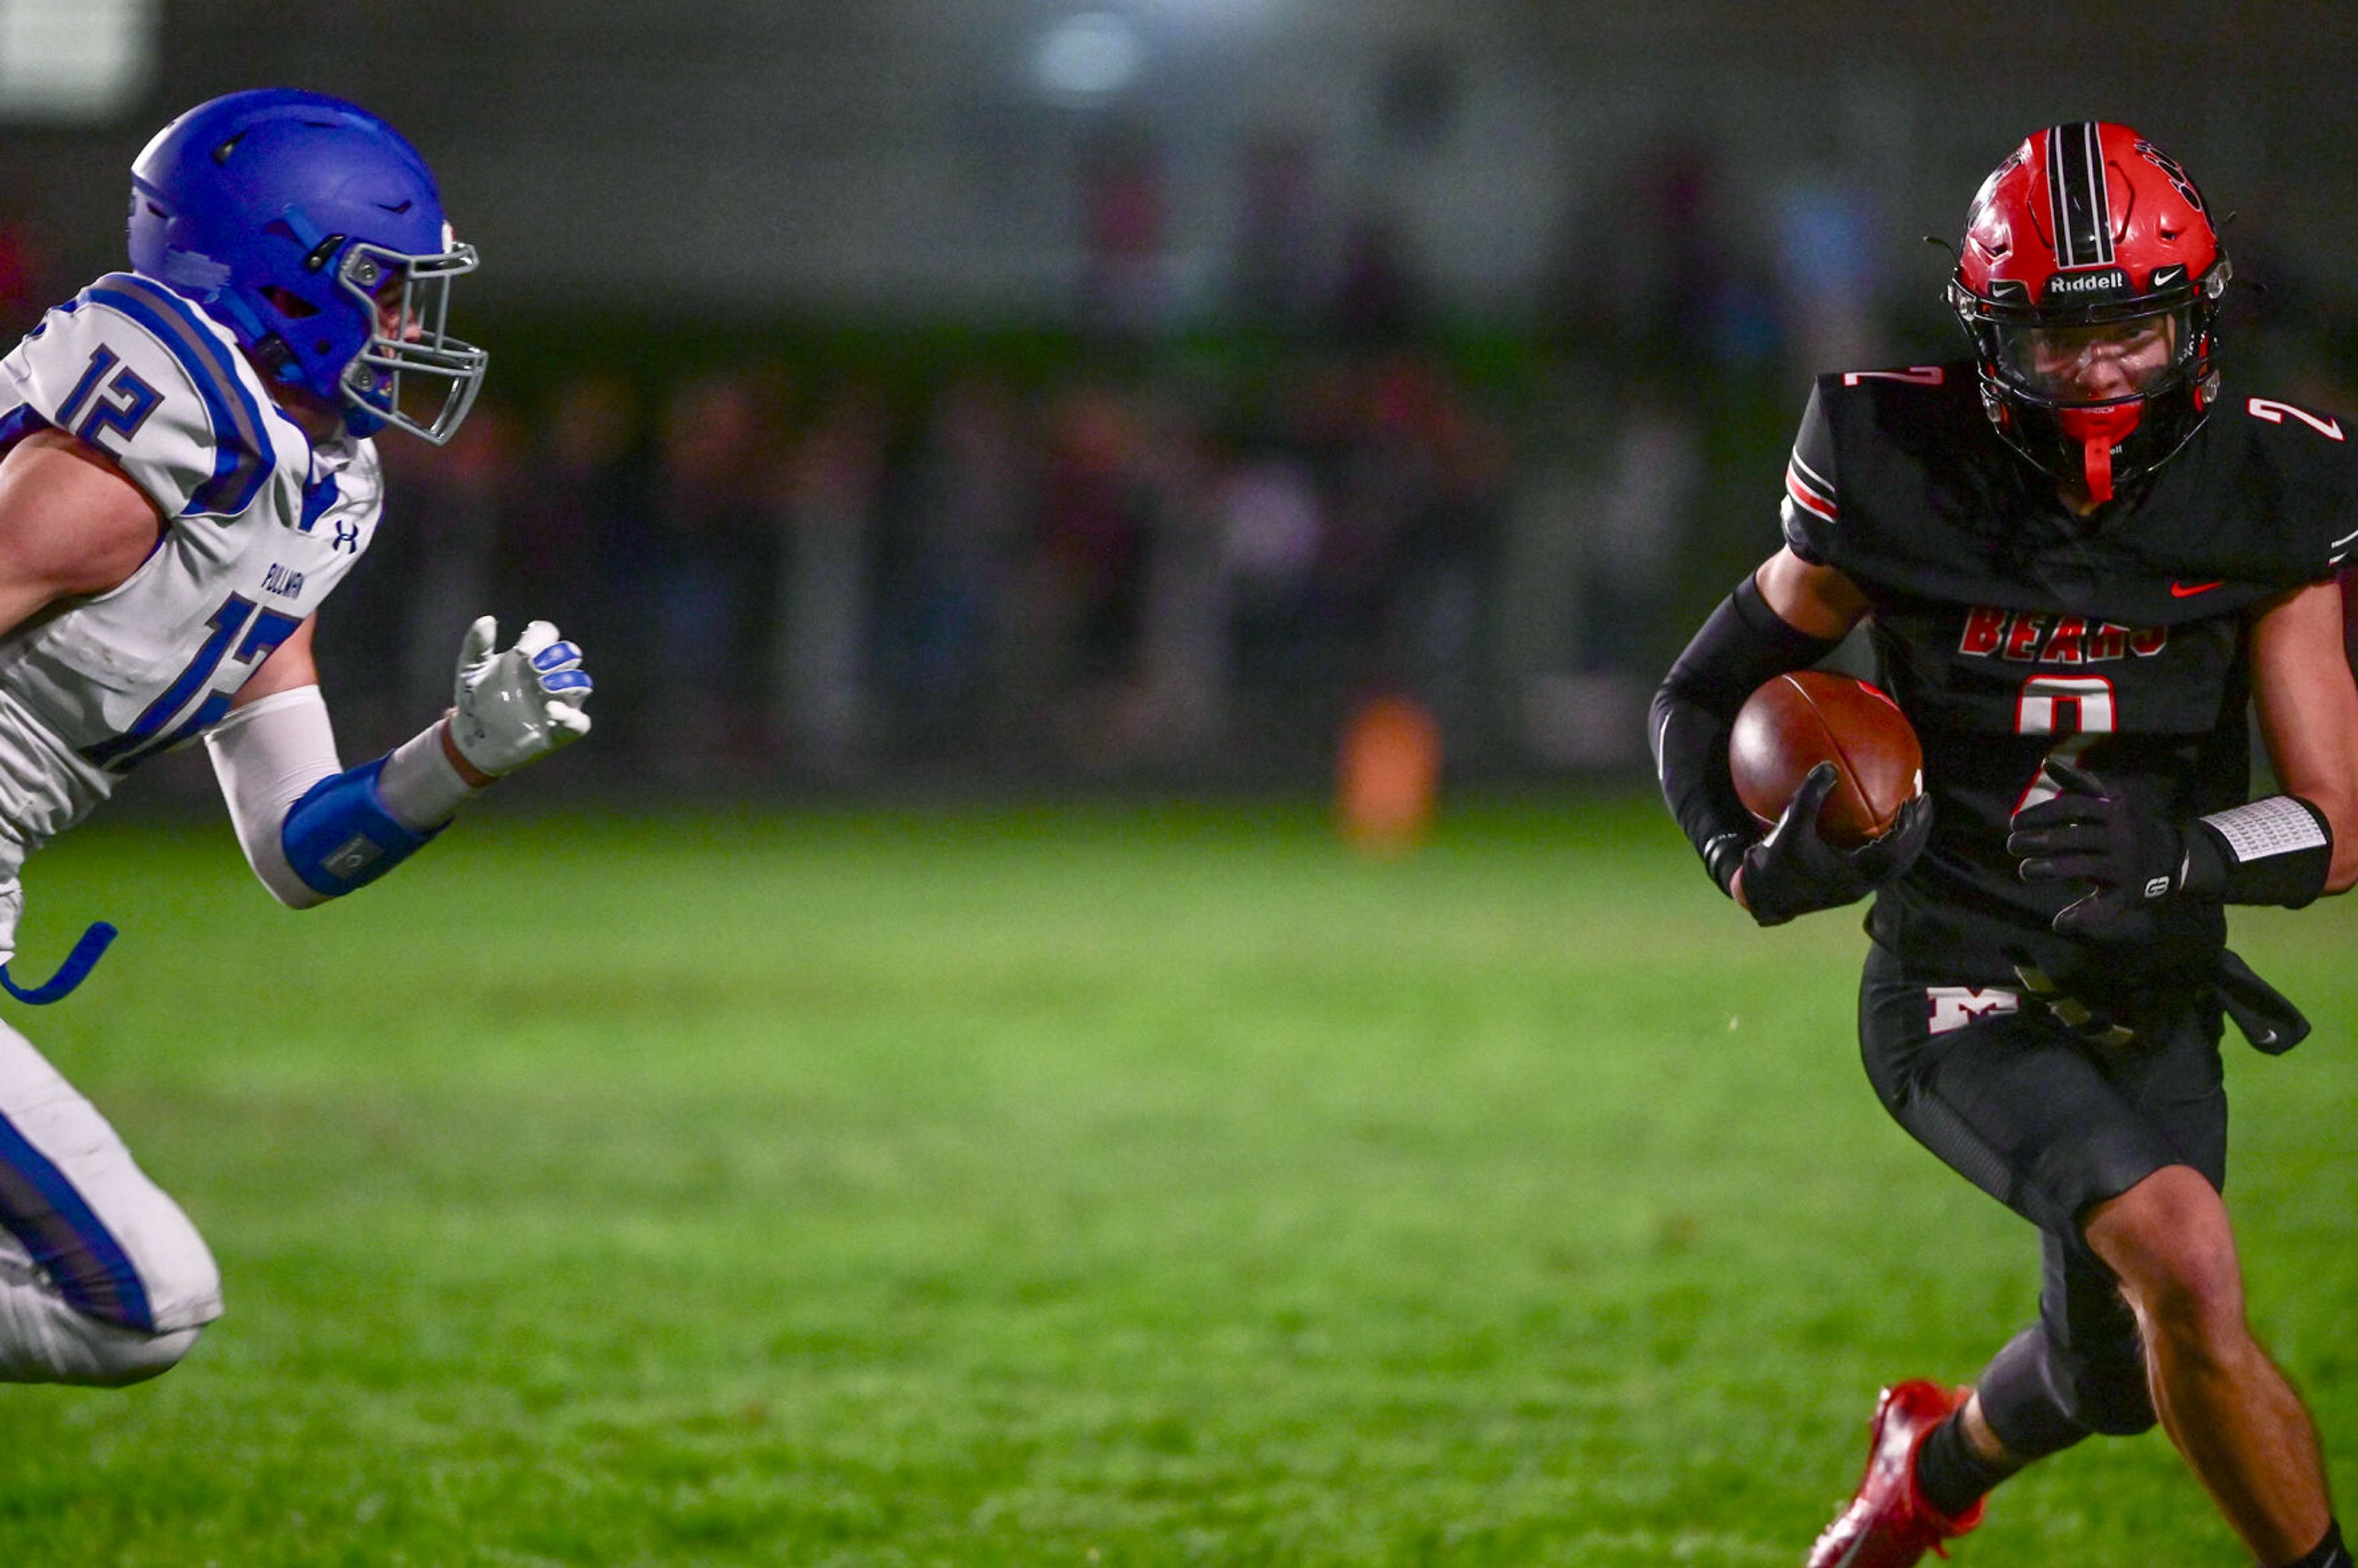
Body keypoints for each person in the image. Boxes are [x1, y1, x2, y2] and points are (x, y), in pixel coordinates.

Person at [1652, 123, 2358, 1568]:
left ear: (2199, 320)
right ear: (1989, 338)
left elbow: (2345, 822)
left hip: (2149, 983)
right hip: (1957, 977)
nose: (2102, 371)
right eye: (2061, 336)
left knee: (2113, 1372)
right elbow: (1695, 694)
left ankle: (1936, 1454)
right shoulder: (1894, 458)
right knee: (2188, 1261)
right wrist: (1743, 857)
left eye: (2135, 327)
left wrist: (2187, 858)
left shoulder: (2277, 487)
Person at [0, 90, 591, 1385]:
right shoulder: (117, 475)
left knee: (141, 1299)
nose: (406, 326)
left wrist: (462, 756)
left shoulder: (291, 488)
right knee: (135, 1299)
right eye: (385, 287)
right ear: (280, 279)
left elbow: (297, 848)